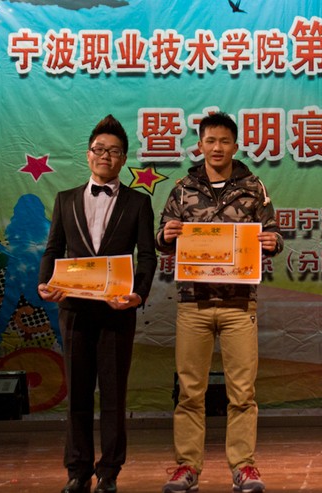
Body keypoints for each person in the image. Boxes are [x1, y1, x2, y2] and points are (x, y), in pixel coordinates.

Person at [157, 112, 283, 493]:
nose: (217, 148)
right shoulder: (182, 189)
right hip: (193, 303)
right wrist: (166, 235)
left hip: (239, 303)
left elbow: (273, 234)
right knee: (189, 391)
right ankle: (186, 466)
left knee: (242, 392)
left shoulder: (253, 187)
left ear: (235, 145)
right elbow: (162, 237)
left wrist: (272, 242)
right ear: (200, 145)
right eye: (210, 141)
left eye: (224, 141)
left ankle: (243, 467)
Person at [38, 115, 158, 493]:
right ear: (88, 155)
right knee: (77, 393)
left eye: (115, 151)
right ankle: (77, 471)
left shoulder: (139, 203)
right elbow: (54, 248)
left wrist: (139, 294)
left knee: (113, 394)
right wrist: (45, 282)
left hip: (117, 311)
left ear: (124, 159)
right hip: (74, 311)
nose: (106, 156)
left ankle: (109, 473)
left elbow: (147, 256)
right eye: (99, 149)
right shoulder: (66, 199)